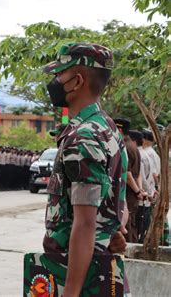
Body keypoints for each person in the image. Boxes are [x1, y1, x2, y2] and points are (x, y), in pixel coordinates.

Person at [42, 43, 127, 296]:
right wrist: (112, 232)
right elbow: (113, 204)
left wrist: (70, 292)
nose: (55, 81)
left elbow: (85, 223)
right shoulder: (107, 128)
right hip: (97, 266)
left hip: (77, 274)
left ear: (77, 81)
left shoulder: (84, 138)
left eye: (60, 74)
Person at [114, 118, 145, 243]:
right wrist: (140, 190)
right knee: (131, 226)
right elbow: (138, 174)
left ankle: (127, 255)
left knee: (126, 228)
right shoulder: (133, 145)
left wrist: (138, 191)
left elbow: (127, 174)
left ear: (119, 129)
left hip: (128, 193)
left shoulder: (124, 146)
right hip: (133, 194)